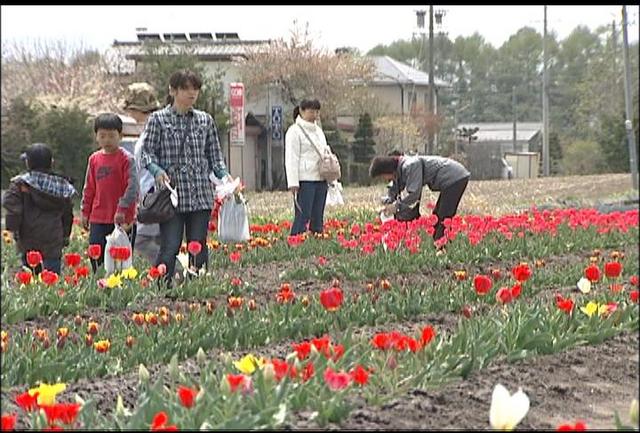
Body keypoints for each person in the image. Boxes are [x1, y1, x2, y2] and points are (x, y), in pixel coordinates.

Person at [140, 69, 231, 286]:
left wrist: (225, 178)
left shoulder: (204, 121)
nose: (192, 93)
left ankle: (198, 288)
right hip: (172, 195)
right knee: (170, 245)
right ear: (173, 90)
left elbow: (214, 156)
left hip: (200, 193)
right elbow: (147, 153)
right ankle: (163, 287)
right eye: (186, 89)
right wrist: (157, 171)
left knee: (198, 243)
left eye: (195, 89)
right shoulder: (158, 120)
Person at [3, 143, 76, 275]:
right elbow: (67, 215)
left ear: (28, 163)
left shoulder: (20, 184)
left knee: (29, 282)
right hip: (53, 241)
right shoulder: (62, 186)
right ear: (51, 162)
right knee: (50, 282)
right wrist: (65, 236)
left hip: (28, 240)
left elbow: (12, 207)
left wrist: (13, 228)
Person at [369, 153, 471, 247]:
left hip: (455, 177)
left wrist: (396, 206)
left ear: (387, 170)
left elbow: (413, 193)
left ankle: (442, 248)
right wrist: (387, 203)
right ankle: (439, 247)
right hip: (451, 179)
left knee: (443, 217)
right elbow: (395, 190)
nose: (385, 179)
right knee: (437, 216)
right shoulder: (400, 169)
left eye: (383, 176)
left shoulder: (411, 165)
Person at [81, 113, 138, 272]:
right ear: (96, 137)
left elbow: (133, 188)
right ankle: (101, 287)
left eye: (112, 136)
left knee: (121, 260)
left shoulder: (127, 159)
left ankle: (121, 291)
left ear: (120, 136)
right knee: (96, 256)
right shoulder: (94, 159)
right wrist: (85, 212)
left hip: (123, 219)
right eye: (103, 136)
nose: (107, 140)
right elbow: (89, 187)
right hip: (98, 216)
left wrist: (122, 209)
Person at [284, 98, 332, 236]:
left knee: (318, 216)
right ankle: (296, 241)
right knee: (303, 215)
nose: (314, 115)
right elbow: (291, 158)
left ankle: (316, 241)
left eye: (316, 111)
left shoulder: (318, 131)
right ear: (301, 111)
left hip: (321, 178)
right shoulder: (294, 131)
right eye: (311, 111)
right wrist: (293, 183)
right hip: (305, 180)